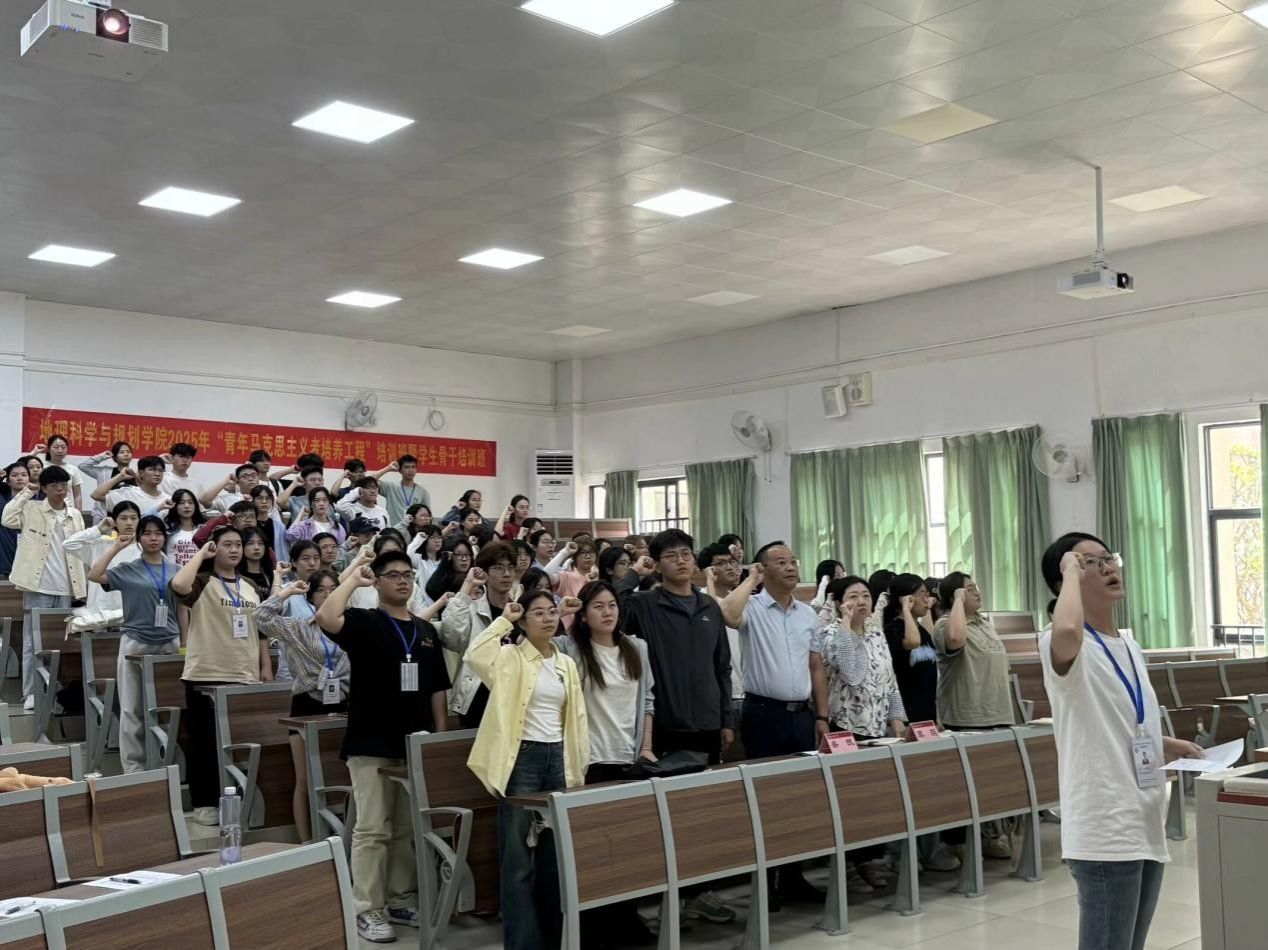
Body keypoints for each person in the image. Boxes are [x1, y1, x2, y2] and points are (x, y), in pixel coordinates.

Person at [1040, 533, 1204, 950]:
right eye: (1091, 563)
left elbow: (1118, 720)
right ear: (1065, 579)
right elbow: (1067, 629)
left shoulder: (1127, 643)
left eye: (1108, 558)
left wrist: (1167, 744)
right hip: (1104, 823)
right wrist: (1070, 571)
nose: (1109, 568)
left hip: (1144, 814)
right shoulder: (1061, 641)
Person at [316, 550, 451, 943]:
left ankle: (399, 898)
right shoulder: (365, 621)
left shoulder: (425, 630)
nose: (403, 581)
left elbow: (437, 689)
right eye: (393, 575)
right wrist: (352, 580)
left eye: (408, 574)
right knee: (373, 827)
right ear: (376, 581)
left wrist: (438, 739)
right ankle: (366, 908)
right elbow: (326, 617)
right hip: (370, 740)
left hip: (413, 742)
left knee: (406, 827)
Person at [617, 529, 735, 926]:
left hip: (707, 724)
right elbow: (607, 605)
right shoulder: (645, 604)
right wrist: (635, 573)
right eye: (671, 556)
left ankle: (698, 895)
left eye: (686, 554)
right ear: (657, 563)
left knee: (702, 817)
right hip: (664, 726)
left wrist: (726, 719)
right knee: (664, 818)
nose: (681, 561)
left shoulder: (709, 607)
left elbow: (722, 667)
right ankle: (666, 898)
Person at [464, 588, 588, 950]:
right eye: (538, 613)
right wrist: (506, 618)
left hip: (558, 758)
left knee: (553, 859)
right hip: (523, 760)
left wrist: (577, 766)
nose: (548, 619)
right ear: (524, 621)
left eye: (552, 612)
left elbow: (577, 719)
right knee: (519, 860)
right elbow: (474, 655)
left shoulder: (565, 662)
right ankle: (522, 943)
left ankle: (553, 940)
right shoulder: (511, 658)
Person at [720, 540, 830, 907]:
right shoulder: (751, 607)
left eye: (793, 561)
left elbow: (816, 666)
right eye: (781, 562)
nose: (791, 567)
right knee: (765, 800)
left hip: (801, 716)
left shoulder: (807, 614)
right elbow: (728, 615)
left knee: (799, 800)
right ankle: (765, 883)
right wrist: (750, 579)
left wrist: (822, 716)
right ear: (763, 570)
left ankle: (794, 877)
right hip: (763, 714)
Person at [555, 579, 657, 947]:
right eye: (597, 606)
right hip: (590, 761)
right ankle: (594, 926)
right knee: (595, 848)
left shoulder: (636, 648)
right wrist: (560, 613)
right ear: (583, 615)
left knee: (629, 846)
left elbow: (648, 701)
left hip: (628, 759)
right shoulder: (570, 649)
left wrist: (646, 747)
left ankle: (626, 918)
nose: (607, 612)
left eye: (611, 605)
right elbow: (533, 647)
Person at [172, 527, 271, 825]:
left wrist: (265, 665)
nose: (235, 549)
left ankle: (236, 798)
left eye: (238, 544)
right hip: (207, 674)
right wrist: (202, 553)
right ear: (215, 549)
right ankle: (204, 802)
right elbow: (178, 584)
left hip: (244, 674)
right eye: (227, 544)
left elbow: (261, 628)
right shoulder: (202, 581)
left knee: (236, 742)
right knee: (205, 743)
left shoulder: (250, 585)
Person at [820, 574, 907, 893]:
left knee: (875, 799)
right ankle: (849, 865)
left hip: (878, 729)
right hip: (845, 729)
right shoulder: (831, 633)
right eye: (853, 596)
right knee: (850, 802)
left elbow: (890, 678)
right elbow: (853, 675)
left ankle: (869, 859)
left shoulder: (876, 633)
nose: (861, 602)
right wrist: (846, 624)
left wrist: (897, 719)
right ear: (839, 602)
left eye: (866, 596)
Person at [254, 569, 349, 841]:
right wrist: (287, 592)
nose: (328, 595)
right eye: (322, 591)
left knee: (342, 776)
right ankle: (307, 841)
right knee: (305, 779)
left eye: (334, 590)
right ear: (311, 597)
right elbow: (260, 617)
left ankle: (344, 840)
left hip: (344, 703)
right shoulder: (298, 626)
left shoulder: (352, 626)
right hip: (308, 703)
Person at [932, 572, 1016, 860]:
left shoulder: (983, 623)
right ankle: (956, 842)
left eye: (976, 587)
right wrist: (956, 600)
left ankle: (990, 835)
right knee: (962, 789)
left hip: (998, 715)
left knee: (993, 787)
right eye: (969, 589)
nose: (977, 592)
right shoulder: (944, 624)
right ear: (955, 595)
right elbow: (955, 639)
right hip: (966, 719)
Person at [88, 515, 180, 772]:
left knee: (169, 707)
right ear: (139, 539)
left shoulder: (175, 569)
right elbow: (95, 575)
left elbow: (184, 609)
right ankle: (134, 769)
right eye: (147, 533)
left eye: (158, 533)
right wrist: (117, 547)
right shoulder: (129, 568)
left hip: (170, 643)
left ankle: (168, 765)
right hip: (135, 642)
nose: (153, 538)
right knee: (132, 709)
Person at [2, 466, 86, 712]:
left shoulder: (75, 515)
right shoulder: (32, 508)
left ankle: (52, 686)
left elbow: (83, 546)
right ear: (45, 488)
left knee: (58, 643)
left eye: (64, 485)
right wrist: (28, 491)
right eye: (55, 485)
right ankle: (30, 691)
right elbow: (7, 518)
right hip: (38, 585)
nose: (60, 490)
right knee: (32, 641)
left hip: (66, 587)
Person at [63, 500, 142, 623]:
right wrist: (98, 529)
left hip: (132, 614)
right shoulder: (100, 544)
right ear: (114, 521)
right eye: (123, 518)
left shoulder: (143, 549)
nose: (129, 523)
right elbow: (69, 544)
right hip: (99, 614)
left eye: (133, 518)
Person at [699, 542, 745, 734]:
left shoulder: (741, 599)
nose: (729, 567)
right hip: (722, 695)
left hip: (749, 694)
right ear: (708, 570)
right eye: (721, 563)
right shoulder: (700, 599)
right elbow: (715, 616)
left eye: (731, 562)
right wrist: (709, 582)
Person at [882, 573, 939, 727]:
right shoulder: (893, 630)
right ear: (906, 598)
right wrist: (905, 609)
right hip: (906, 716)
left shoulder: (922, 630)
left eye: (927, 594)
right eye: (922, 594)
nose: (927, 599)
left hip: (928, 714)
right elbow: (913, 642)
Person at [93, 454, 169, 513]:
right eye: (152, 470)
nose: (157, 474)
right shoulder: (128, 493)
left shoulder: (167, 500)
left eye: (161, 470)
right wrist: (120, 476)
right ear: (141, 473)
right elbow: (96, 495)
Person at [0, 461, 34, 578]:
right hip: (5, 562)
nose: (20, 478)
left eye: (24, 475)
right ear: (8, 481)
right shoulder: (2, 500)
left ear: (29, 479)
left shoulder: (37, 503)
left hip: (29, 563)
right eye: (14, 475)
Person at [380, 455, 430, 527]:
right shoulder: (390, 487)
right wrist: (388, 468)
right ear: (400, 470)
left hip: (413, 531)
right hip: (393, 531)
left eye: (413, 467)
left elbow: (428, 517)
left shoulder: (423, 492)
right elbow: (367, 481)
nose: (410, 470)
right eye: (407, 467)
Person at [164, 488, 206, 566]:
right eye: (181, 503)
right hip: (174, 572)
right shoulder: (167, 528)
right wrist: (161, 506)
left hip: (200, 572)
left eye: (190, 502)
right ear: (175, 506)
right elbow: (144, 522)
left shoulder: (204, 528)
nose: (187, 506)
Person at [42, 435, 84, 509]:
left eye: (63, 447)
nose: (60, 450)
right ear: (48, 449)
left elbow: (77, 495)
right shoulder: (42, 467)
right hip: (45, 508)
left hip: (67, 509)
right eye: (56, 447)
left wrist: (78, 513)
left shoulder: (73, 469)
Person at [239, 526, 275, 591]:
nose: (257, 547)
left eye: (260, 543)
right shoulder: (236, 575)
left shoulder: (270, 575)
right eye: (250, 543)